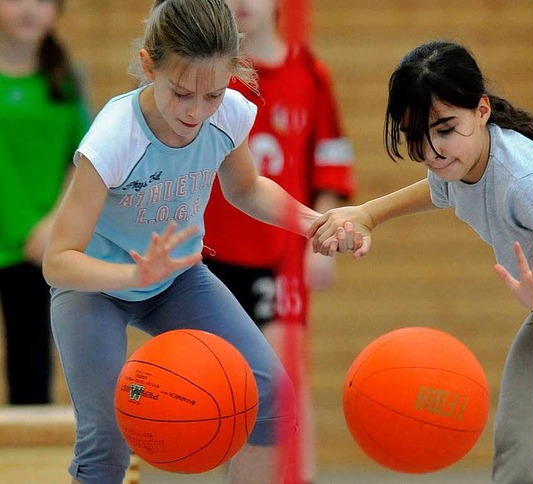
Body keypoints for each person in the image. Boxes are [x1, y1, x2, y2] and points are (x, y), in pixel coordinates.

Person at [310, 40, 533, 483]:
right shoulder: (461, 159)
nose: (431, 152)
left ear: (482, 110)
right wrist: (368, 213)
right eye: (416, 136)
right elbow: (438, 186)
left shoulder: (527, 184)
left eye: (445, 129)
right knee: (519, 454)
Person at [41, 0, 326, 482]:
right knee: (105, 446)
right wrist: (134, 273)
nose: (196, 112)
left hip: (176, 280)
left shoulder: (230, 114)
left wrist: (312, 223)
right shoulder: (115, 137)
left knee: (274, 402)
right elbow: (58, 261)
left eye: (212, 94)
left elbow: (245, 188)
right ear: (150, 66)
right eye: (180, 94)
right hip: (95, 289)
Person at [202, 1, 355, 482]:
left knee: (281, 383)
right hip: (209, 257)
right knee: (227, 393)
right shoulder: (204, 74)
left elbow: (329, 161)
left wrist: (320, 239)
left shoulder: (308, 73)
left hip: (279, 258)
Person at [0, 0, 90, 405]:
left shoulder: (65, 82)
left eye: (43, 1)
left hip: (36, 249)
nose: (30, 10)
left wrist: (55, 222)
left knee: (32, 372)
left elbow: (84, 160)